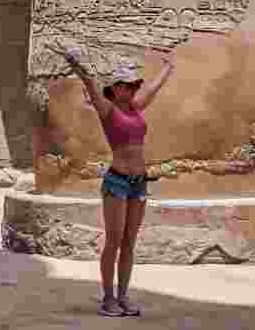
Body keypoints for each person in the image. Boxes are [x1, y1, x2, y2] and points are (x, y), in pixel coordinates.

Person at [61, 46, 175, 317]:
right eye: (128, 85)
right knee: (113, 241)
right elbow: (89, 84)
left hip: (139, 182)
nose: (134, 88)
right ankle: (108, 298)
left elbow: (154, 89)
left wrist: (169, 68)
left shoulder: (135, 107)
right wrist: (76, 65)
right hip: (117, 182)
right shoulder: (108, 110)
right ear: (115, 88)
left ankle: (123, 296)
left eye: (134, 84)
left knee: (129, 242)